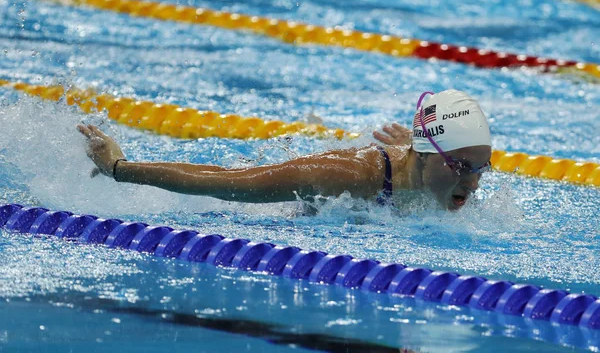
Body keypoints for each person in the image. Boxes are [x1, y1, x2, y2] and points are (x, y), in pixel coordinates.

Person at [78, 90, 492, 210]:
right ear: (423, 155)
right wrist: (119, 167)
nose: (472, 183)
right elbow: (229, 184)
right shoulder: (344, 178)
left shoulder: (441, 177)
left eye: (481, 167)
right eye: (459, 165)